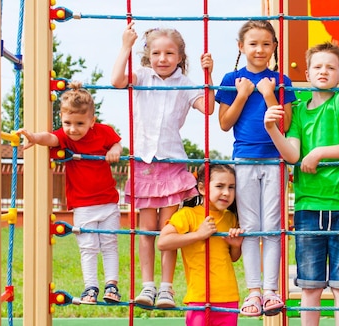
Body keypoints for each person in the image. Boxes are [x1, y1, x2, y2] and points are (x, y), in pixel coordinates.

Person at [111, 22, 215, 308]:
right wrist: (125, 46)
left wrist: (208, 74)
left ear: (180, 57)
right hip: (144, 163)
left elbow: (207, 107)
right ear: (148, 55)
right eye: (156, 52)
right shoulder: (142, 76)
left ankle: (166, 288)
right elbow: (116, 81)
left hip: (171, 163)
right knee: (146, 229)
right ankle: (147, 286)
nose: (163, 58)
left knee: (168, 229)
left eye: (169, 53)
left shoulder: (186, 83)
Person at [264, 42, 339, 326]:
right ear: (307, 74)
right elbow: (293, 155)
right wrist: (272, 129)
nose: (324, 71)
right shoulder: (298, 111)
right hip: (308, 205)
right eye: (318, 67)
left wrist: (320, 152)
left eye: (331, 67)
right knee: (310, 285)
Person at [215, 19, 296, 316]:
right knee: (249, 227)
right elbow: (224, 123)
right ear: (241, 47)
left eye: (266, 43)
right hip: (245, 159)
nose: (259, 49)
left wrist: (268, 93)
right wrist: (243, 94)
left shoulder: (280, 80)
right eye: (253, 44)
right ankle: (253, 292)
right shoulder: (232, 78)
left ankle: (272, 291)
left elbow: (285, 125)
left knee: (273, 226)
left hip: (274, 159)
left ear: (274, 46)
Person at [16, 81, 123, 305]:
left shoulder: (103, 132)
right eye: (67, 123)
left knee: (110, 243)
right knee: (88, 247)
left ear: (92, 121)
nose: (72, 129)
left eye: (79, 123)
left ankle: (112, 286)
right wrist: (35, 138)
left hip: (108, 203)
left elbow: (117, 143)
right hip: (82, 205)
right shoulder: (65, 137)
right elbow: (51, 138)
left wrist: (114, 150)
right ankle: (90, 288)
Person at [158, 164, 243, 325]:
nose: (226, 192)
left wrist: (236, 246)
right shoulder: (187, 215)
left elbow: (233, 258)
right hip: (199, 298)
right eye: (220, 186)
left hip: (229, 297)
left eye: (231, 187)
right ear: (203, 188)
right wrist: (198, 235)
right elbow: (163, 242)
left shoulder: (230, 218)